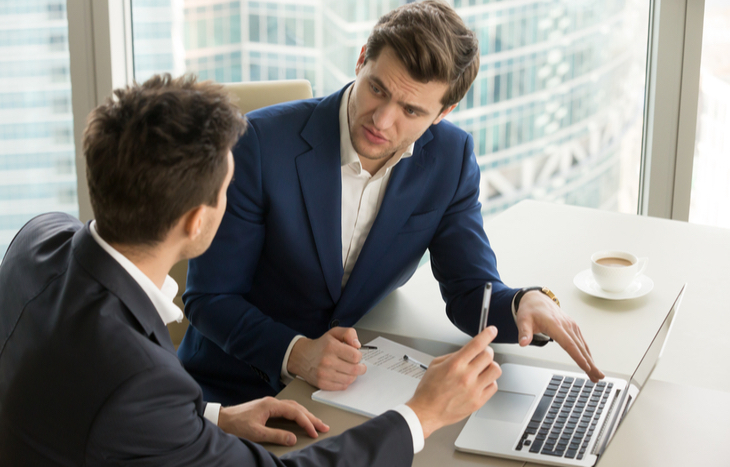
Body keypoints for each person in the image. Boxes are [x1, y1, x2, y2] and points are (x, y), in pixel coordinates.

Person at [0, 74, 503, 465]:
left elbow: (88, 402)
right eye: (226, 189)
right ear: (198, 220)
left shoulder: (37, 238)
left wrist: (211, 418)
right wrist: (422, 414)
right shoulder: (143, 382)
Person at [179, 0, 604, 407]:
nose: (382, 120)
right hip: (237, 389)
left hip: (355, 387)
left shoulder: (450, 159)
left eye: (411, 110)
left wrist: (524, 303)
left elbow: (469, 290)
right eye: (377, 89)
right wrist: (296, 353)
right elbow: (210, 297)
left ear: (443, 111)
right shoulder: (257, 144)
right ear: (362, 59)